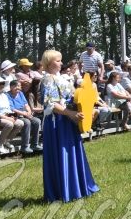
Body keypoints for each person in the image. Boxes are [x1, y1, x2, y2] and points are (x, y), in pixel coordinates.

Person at [39, 49, 99, 203]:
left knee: (72, 153)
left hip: (68, 120)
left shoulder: (62, 78)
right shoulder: (47, 79)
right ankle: (62, 190)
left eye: (60, 60)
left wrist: (87, 110)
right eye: (57, 60)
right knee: (62, 154)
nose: (61, 63)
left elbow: (75, 98)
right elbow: (50, 104)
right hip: (56, 123)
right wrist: (70, 114)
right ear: (48, 62)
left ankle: (76, 188)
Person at [7, 80, 41, 154]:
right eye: (15, 86)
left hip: (25, 113)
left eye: (19, 86)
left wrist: (28, 112)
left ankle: (34, 144)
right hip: (15, 115)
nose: (18, 88)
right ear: (11, 87)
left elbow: (26, 105)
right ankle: (25, 146)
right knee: (27, 122)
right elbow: (12, 109)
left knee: (37, 121)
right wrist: (25, 114)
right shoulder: (7, 95)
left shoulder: (21, 94)